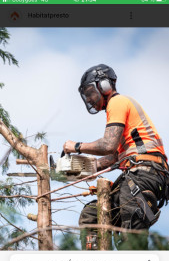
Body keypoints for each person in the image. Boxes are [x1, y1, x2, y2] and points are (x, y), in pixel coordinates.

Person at [63, 64, 169, 250]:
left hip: (147, 173)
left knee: (131, 217)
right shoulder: (120, 121)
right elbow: (112, 157)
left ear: (104, 85)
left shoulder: (118, 102)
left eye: (90, 92)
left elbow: (107, 145)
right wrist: (74, 169)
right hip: (135, 174)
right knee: (91, 215)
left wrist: (76, 147)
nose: (88, 98)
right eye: (86, 94)